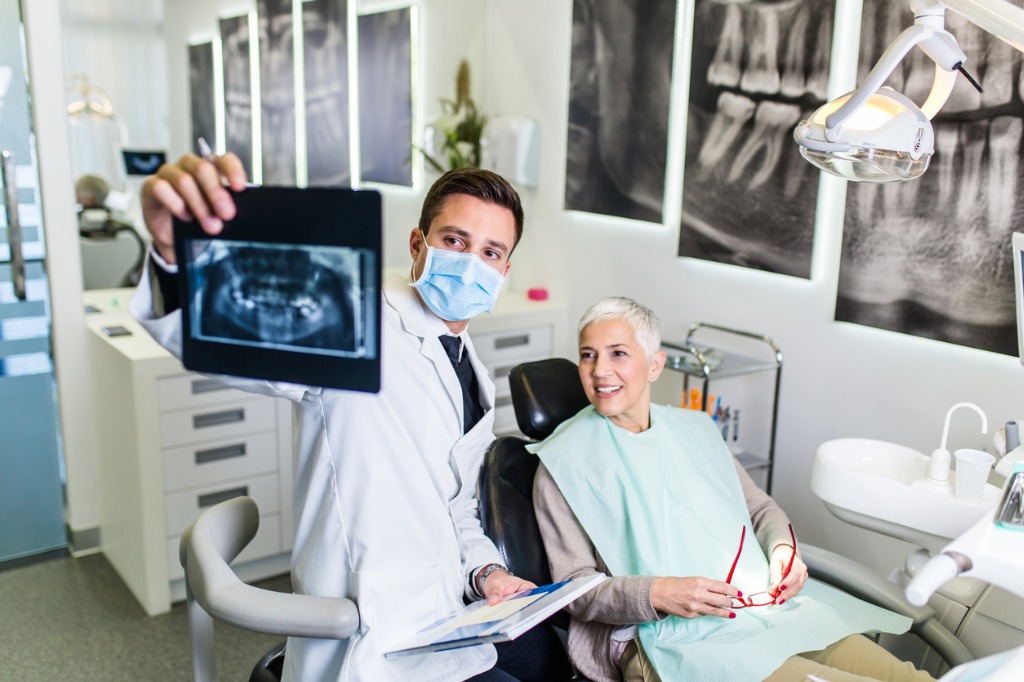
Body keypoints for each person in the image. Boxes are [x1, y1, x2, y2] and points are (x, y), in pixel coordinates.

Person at [132, 153, 570, 682]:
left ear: (503, 270)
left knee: (554, 660)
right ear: (418, 245)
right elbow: (237, 337)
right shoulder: (357, 323)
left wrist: (487, 571)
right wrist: (169, 253)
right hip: (368, 628)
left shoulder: (470, 368)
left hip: (447, 613)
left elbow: (456, 506)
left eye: (490, 251)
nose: (471, 262)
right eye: (455, 241)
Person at [530, 297, 935, 682]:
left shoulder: (696, 430)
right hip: (666, 642)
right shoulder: (563, 465)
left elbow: (759, 508)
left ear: (655, 365)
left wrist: (782, 549)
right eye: (588, 354)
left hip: (763, 615)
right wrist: (658, 593)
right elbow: (575, 591)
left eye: (618, 353)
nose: (600, 370)